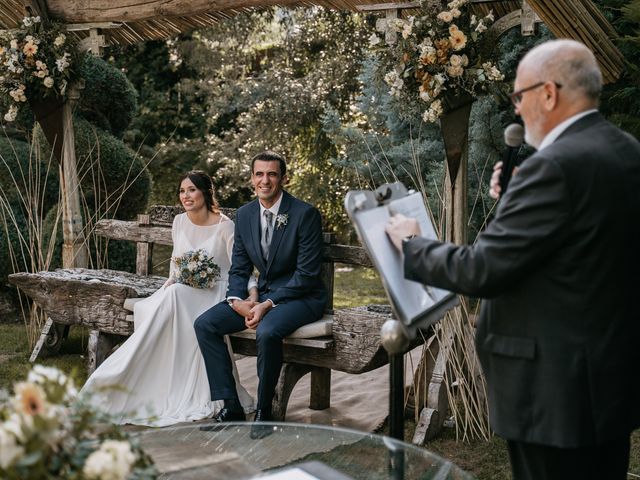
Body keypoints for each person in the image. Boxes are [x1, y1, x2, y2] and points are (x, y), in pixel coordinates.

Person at [385, 39, 640, 480]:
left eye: (519, 96)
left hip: (553, 391)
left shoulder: (555, 168)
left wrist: (412, 244)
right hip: (605, 382)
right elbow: (577, 245)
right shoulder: (624, 150)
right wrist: (518, 197)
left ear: (549, 93)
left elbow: (482, 268)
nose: (517, 110)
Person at [80, 171, 255, 426]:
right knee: (169, 295)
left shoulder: (224, 226)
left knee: (173, 297)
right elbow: (176, 262)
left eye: (192, 190)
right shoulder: (179, 222)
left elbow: (241, 268)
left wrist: (251, 295)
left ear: (206, 192)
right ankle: (132, 378)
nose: (186, 196)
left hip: (215, 292)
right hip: (183, 290)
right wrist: (173, 279)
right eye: (182, 191)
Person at [194, 151, 326, 438]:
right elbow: (239, 267)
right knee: (205, 324)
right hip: (261, 296)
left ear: (284, 178)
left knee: (266, 332)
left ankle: (265, 412)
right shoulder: (244, 215)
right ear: (251, 178)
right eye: (259, 174)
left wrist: (266, 304)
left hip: (302, 298)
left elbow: (306, 275)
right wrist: (237, 301)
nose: (265, 180)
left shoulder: (305, 215)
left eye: (272, 174)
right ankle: (232, 407)